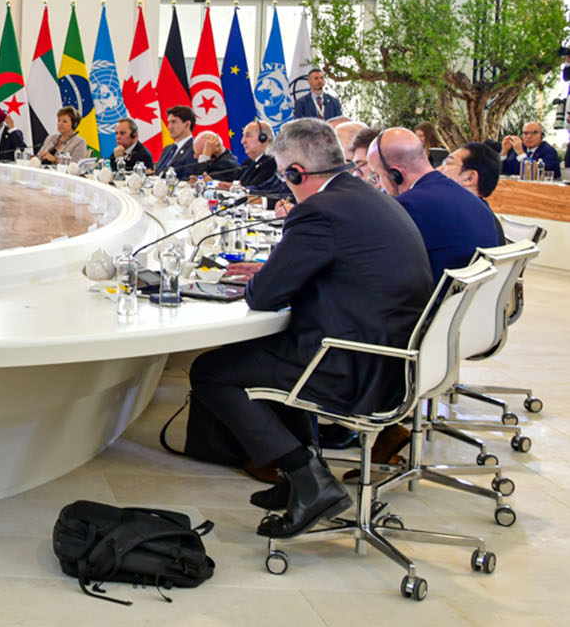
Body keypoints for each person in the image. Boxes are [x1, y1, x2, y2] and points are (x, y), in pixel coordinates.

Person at [189, 118, 433, 538]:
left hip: (352, 366)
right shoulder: (363, 196)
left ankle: (309, 480)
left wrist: (268, 273)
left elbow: (263, 297)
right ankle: (297, 475)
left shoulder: (318, 211)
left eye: (286, 177)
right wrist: (280, 267)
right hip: (392, 359)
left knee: (211, 372)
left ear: (298, 173)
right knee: (272, 351)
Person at [367, 127, 501, 283]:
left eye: (377, 176)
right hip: (473, 296)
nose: (379, 185)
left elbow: (380, 269)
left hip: (435, 296)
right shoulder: (476, 203)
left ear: (395, 175)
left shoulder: (407, 206)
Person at [441, 141, 506, 244]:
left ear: (470, 177)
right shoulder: (483, 217)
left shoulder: (457, 222)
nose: (439, 170)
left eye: (448, 163)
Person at [214, 120, 282, 192]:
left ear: (263, 138)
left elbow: (255, 189)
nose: (242, 141)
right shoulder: (249, 162)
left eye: (248, 136)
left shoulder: (271, 162)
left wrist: (234, 187)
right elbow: (237, 182)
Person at [153, 105, 199, 177]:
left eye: (173, 122)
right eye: (168, 123)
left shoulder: (195, 149)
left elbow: (188, 177)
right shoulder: (167, 149)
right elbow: (158, 172)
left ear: (187, 124)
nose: (169, 127)